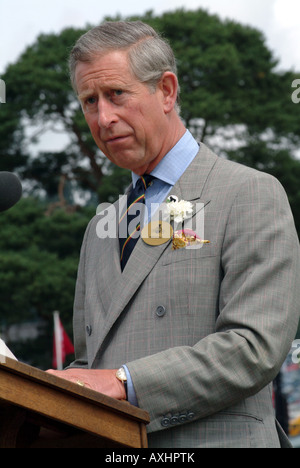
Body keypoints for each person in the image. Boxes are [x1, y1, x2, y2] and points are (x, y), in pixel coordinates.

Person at [48, 21, 300, 448]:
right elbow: (94, 363)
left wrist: (123, 381)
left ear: (166, 91)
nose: (103, 117)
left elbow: (253, 346)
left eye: (116, 94)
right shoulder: (99, 228)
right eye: (89, 100)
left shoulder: (249, 192)